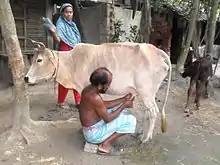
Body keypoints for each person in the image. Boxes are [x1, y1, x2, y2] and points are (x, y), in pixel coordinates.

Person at [79, 67, 137, 156]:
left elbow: (102, 105)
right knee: (131, 120)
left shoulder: (88, 90)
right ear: (99, 85)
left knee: (124, 113)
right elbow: (108, 119)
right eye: (107, 85)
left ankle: (103, 139)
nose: (108, 87)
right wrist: (123, 105)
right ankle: (105, 144)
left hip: (89, 130)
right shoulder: (95, 98)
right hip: (93, 135)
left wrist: (122, 99)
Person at [48, 3, 81, 109]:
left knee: (77, 77)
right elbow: (58, 40)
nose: (69, 14)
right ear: (62, 13)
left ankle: (79, 101)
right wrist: (53, 33)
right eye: (66, 12)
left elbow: (77, 41)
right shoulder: (60, 24)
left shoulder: (73, 25)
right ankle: (61, 102)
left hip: (74, 53)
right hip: (64, 53)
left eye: (70, 12)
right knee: (64, 78)